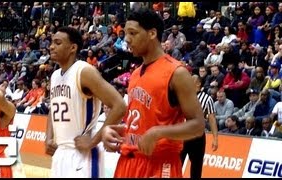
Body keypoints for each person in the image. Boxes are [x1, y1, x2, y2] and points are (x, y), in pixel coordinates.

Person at [101, 8, 205, 178]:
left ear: (152, 33)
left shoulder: (177, 73)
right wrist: (111, 130)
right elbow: (140, 126)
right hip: (128, 162)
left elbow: (198, 126)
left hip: (159, 163)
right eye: (126, 33)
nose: (127, 39)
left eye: (133, 33)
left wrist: (159, 132)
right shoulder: (135, 74)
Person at [45, 26, 126, 178]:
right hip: (61, 152)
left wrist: (94, 141)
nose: (51, 46)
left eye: (57, 43)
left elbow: (119, 106)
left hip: (82, 154)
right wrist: (48, 137)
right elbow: (53, 108)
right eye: (51, 42)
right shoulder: (55, 75)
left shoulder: (84, 71)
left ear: (73, 48)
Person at [180, 75, 218, 179]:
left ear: (198, 83)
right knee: (177, 164)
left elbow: (212, 119)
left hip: (197, 137)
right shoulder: (182, 96)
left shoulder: (207, 99)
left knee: (196, 168)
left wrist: (215, 138)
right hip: (182, 135)